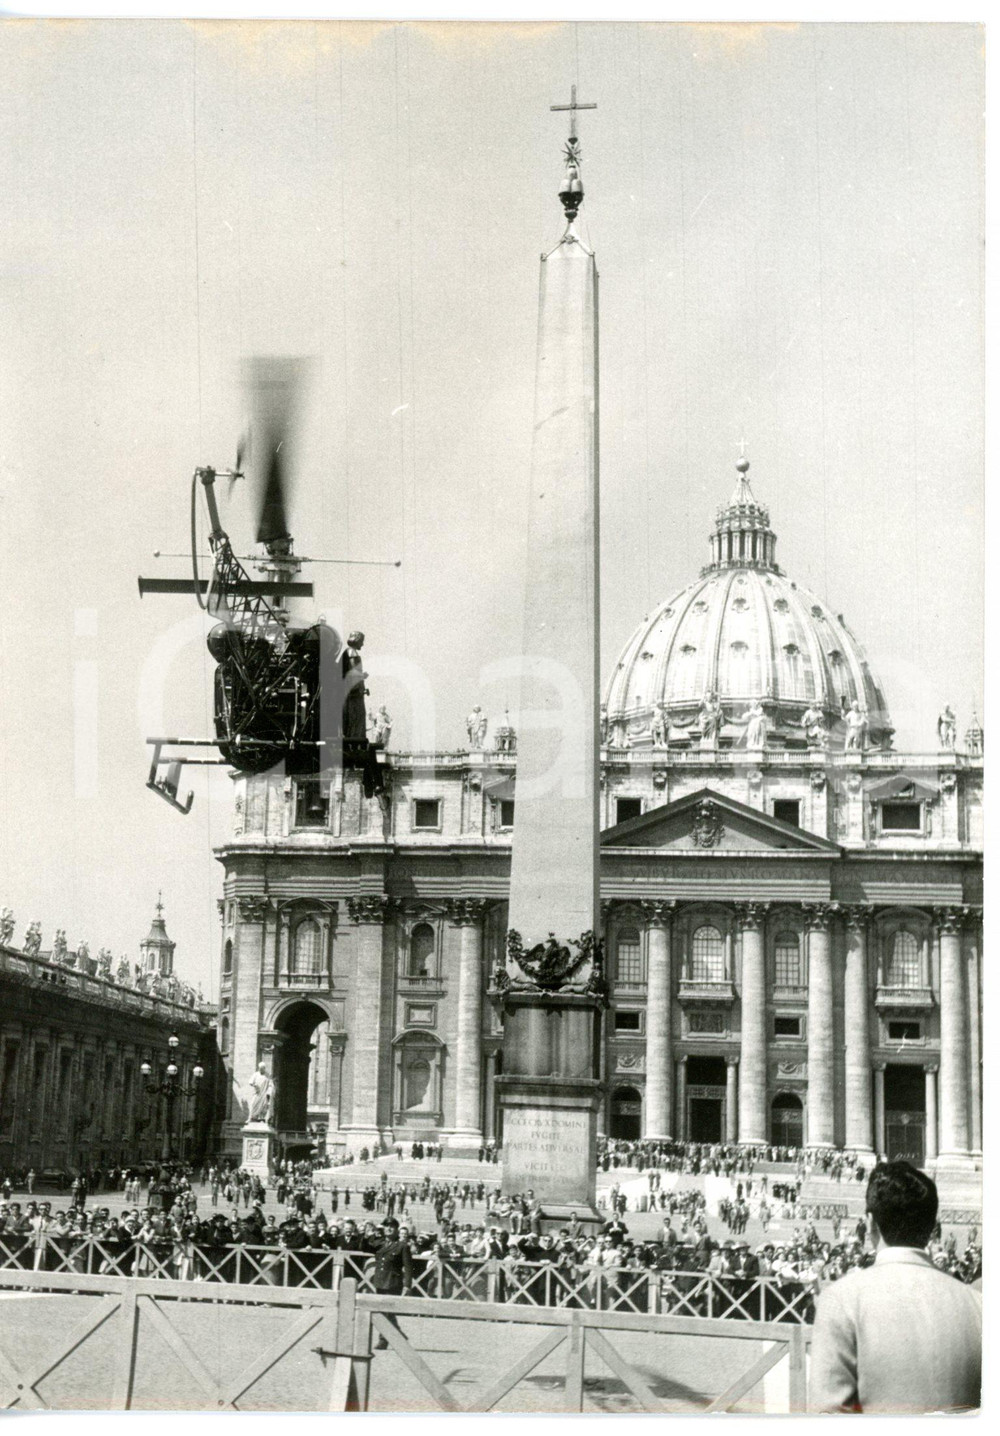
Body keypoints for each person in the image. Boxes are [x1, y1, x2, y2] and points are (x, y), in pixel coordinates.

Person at [810, 1162, 981, 1414]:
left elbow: (828, 1416)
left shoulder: (839, 1300)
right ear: (933, 1228)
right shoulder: (979, 1303)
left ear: (869, 1223)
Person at [370, 1216, 413, 1349]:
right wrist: (374, 1232)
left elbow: (408, 1266)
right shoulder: (380, 1243)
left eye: (392, 1227)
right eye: (386, 1226)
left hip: (393, 1281)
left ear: (396, 1229)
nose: (388, 1229)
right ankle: (398, 1334)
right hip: (380, 1280)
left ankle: (383, 1340)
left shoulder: (402, 1246)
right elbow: (364, 1246)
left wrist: (407, 1285)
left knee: (386, 1311)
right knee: (384, 1311)